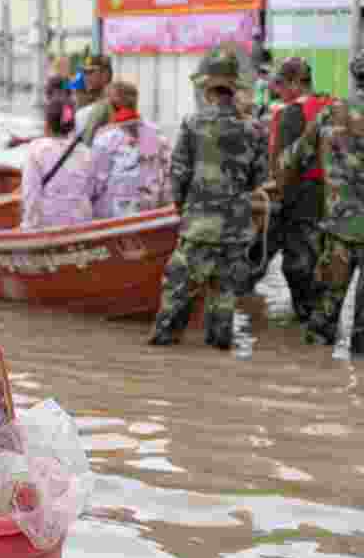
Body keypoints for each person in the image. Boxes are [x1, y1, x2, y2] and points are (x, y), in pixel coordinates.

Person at [149, 48, 267, 349]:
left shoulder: (192, 124)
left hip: (198, 226)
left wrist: (183, 209)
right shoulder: (254, 128)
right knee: (223, 303)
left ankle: (163, 355)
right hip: (235, 230)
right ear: (234, 86)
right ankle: (218, 357)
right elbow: (258, 179)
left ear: (208, 86)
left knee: (175, 298)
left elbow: (178, 175)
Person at [278, 50, 364, 352]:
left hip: (339, 230)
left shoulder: (332, 112)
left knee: (322, 321)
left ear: (354, 76)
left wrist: (279, 186)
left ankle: (317, 380)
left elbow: (294, 156)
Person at [266, 57, 333, 323]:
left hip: (303, 196)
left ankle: (310, 320)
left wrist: (277, 196)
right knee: (323, 258)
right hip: (336, 199)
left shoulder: (290, 114)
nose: (278, 91)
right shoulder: (331, 107)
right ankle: (323, 315)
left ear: (296, 83)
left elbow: (283, 166)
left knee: (298, 261)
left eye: (281, 84)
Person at [91, 80, 172, 219]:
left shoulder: (105, 139)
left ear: (111, 106)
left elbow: (95, 185)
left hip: (114, 223)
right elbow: (167, 178)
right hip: (151, 218)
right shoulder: (155, 134)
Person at [20, 97, 98, 229]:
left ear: (47, 124)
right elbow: (90, 190)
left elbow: (31, 193)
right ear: (72, 125)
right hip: (80, 222)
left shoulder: (37, 149)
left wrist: (28, 225)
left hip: (47, 223)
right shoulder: (86, 152)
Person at [74, 54, 114, 145]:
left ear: (105, 74)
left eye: (90, 72)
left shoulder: (114, 99)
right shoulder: (82, 99)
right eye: (84, 72)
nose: (86, 77)